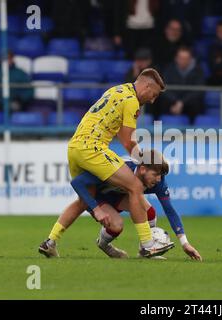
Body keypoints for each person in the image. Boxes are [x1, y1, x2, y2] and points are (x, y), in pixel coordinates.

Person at [39, 68, 172, 259]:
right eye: (154, 94)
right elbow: (127, 141)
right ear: (147, 85)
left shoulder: (117, 90)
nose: (152, 100)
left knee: (85, 200)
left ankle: (50, 242)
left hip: (74, 147)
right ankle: (147, 245)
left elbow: (118, 131)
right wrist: (147, 162)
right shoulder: (131, 101)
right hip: (92, 147)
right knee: (135, 186)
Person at [59, 150, 202, 261]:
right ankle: (103, 245)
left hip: (119, 196)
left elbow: (169, 210)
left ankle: (146, 251)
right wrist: (95, 208)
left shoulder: (159, 182)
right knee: (117, 225)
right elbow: (78, 182)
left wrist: (184, 243)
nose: (158, 179)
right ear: (142, 169)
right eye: (156, 174)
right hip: (99, 196)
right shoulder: (121, 168)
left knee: (150, 213)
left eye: (161, 175)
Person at [158, 46, 205, 122]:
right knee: (160, 101)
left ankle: (192, 131)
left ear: (190, 59)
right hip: (172, 103)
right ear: (176, 58)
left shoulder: (198, 71)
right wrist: (176, 101)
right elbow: (164, 88)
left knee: (196, 103)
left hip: (189, 105)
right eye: (181, 58)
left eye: (186, 59)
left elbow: (198, 91)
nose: (183, 61)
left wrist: (182, 102)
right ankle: (159, 130)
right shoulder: (169, 69)